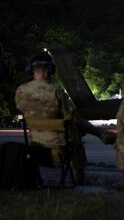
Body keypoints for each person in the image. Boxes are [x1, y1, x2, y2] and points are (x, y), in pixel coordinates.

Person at [15, 51, 115, 185]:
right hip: (59, 151)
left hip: (36, 149)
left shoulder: (20, 91)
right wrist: (96, 132)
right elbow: (75, 118)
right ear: (50, 70)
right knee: (75, 130)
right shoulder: (56, 92)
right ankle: (80, 177)